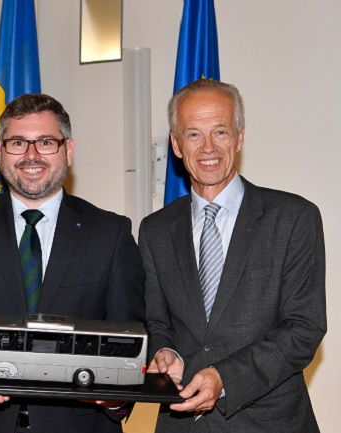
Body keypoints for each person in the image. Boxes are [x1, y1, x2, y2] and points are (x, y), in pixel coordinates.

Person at [0, 93, 146, 433]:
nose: (31, 155)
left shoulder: (112, 233)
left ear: (68, 151)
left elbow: (128, 340)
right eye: (17, 143)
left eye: (45, 142)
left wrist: (116, 397)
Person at [139, 78, 326, 432]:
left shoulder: (293, 218)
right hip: (182, 423)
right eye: (193, 134)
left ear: (239, 137)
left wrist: (224, 378)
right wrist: (166, 354)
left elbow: (305, 327)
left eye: (220, 132)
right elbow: (156, 324)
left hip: (270, 423)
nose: (208, 147)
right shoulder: (154, 229)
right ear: (177, 145)